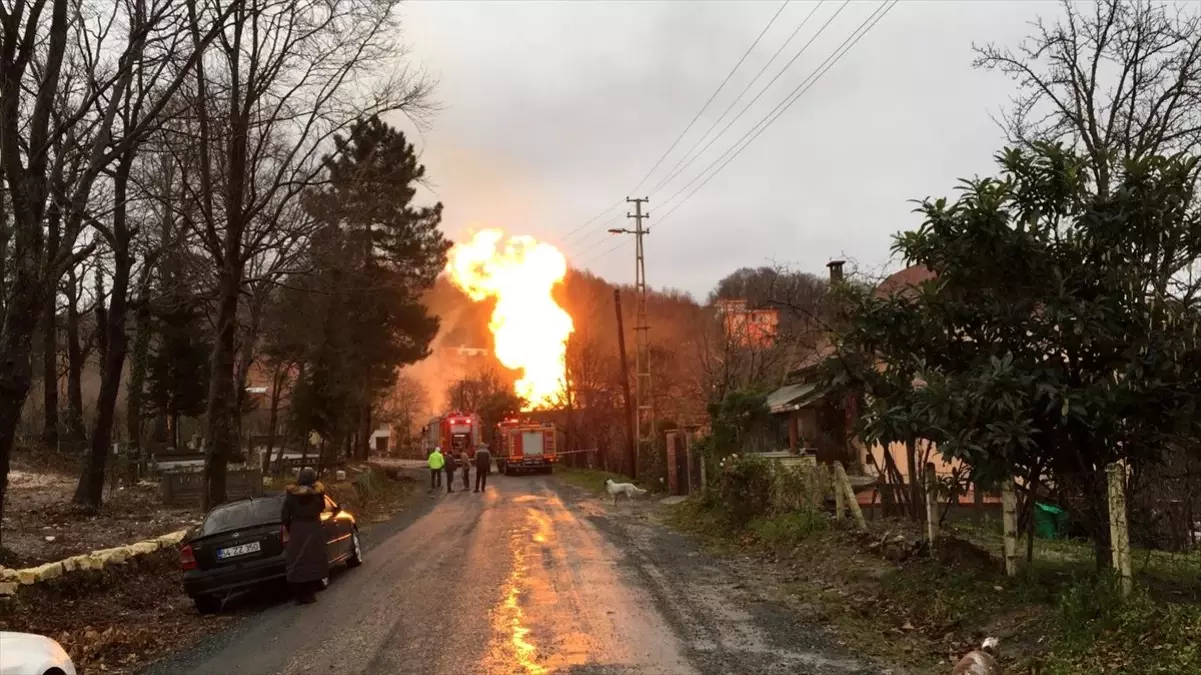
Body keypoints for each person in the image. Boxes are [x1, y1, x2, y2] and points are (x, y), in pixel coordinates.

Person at [281, 468, 329, 605]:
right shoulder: (317, 493)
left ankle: (299, 595)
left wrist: (291, 528)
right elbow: (321, 507)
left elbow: (285, 515)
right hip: (313, 528)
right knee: (313, 559)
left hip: (297, 530)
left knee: (297, 561)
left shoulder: (291, 494)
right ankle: (310, 593)